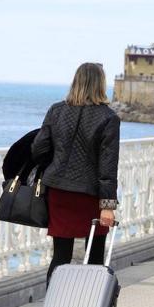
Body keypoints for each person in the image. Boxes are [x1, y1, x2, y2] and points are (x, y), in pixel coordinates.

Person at [32, 62, 119, 284]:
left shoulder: (56, 110)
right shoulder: (108, 117)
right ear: (101, 84)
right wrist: (107, 206)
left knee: (60, 255)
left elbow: (38, 149)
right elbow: (108, 164)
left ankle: (54, 306)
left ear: (76, 81)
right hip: (90, 195)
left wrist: (57, 162)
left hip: (59, 192)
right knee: (95, 253)